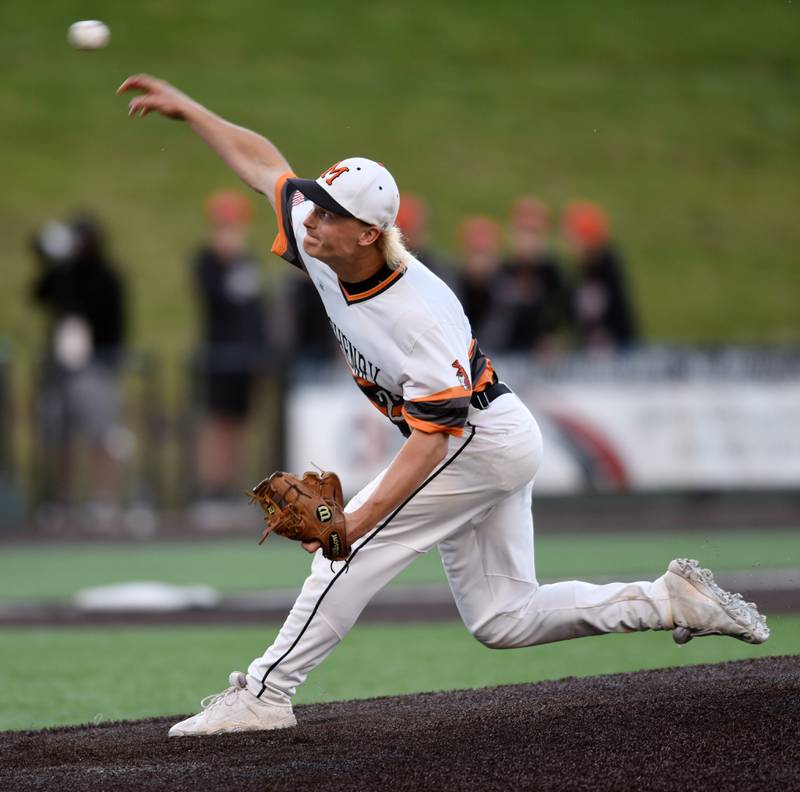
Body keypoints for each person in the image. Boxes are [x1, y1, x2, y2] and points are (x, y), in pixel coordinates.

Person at [118, 74, 769, 737]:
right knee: (503, 619)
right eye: (314, 203)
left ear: (370, 234)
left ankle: (265, 692)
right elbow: (267, 168)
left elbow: (434, 440)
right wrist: (193, 110)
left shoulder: (417, 315)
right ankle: (665, 600)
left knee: (349, 549)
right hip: (489, 434)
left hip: (478, 441)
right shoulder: (323, 246)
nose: (310, 217)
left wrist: (355, 519)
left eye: (329, 212)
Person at [31, 215, 127, 521]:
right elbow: (39, 293)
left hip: (97, 366)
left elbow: (114, 321)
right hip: (61, 370)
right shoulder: (64, 274)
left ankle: (103, 501)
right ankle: (63, 500)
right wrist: (52, 263)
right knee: (60, 435)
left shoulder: (105, 276)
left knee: (102, 434)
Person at [192, 189, 269, 509]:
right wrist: (227, 260)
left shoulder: (248, 262)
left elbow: (255, 311)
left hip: (245, 359)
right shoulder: (208, 262)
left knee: (240, 423)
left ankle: (235, 488)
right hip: (219, 356)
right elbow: (216, 301)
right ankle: (212, 487)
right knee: (217, 423)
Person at [495, 197, 572, 355]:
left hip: (542, 356)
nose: (528, 241)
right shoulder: (503, 271)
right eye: (523, 233)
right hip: (507, 351)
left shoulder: (552, 273)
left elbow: (565, 312)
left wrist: (554, 337)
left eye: (534, 234)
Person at [561, 201, 638, 351]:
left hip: (617, 349)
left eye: (573, 238)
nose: (570, 245)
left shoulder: (608, 268)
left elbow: (615, 314)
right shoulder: (583, 270)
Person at [452, 216, 504, 346]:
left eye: (485, 254)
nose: (480, 263)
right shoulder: (451, 289)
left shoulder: (506, 291)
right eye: (475, 253)